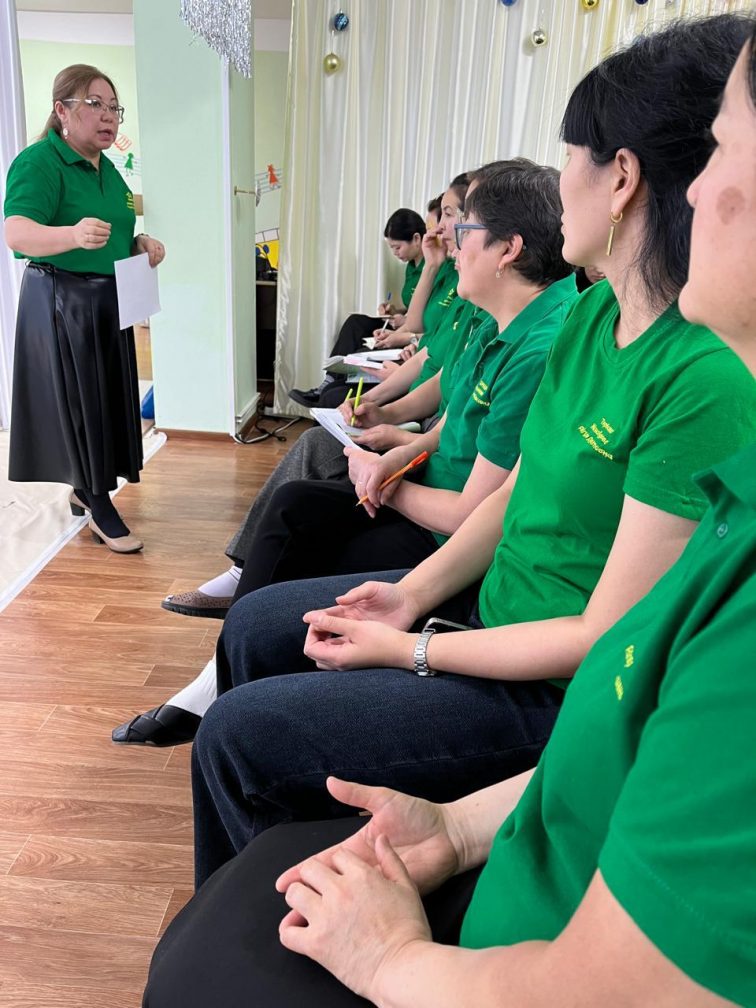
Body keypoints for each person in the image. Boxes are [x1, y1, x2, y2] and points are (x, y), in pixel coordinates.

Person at [143, 19, 756, 1007]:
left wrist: (415, 646)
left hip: (537, 681)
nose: (698, 190)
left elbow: (607, 662)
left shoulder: (702, 383)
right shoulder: (595, 316)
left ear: (620, 179)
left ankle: (274, 891)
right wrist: (412, 601)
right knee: (263, 628)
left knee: (243, 736)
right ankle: (280, 876)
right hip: (494, 623)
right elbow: (514, 492)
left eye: (725, 151)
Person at [112, 158, 578, 746]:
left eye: (461, 226)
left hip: (452, 540)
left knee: (305, 531)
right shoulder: (503, 320)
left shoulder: (546, 340)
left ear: (508, 249)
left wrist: (388, 479)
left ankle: (232, 679)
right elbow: (459, 416)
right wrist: (394, 444)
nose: (448, 240)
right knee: (299, 503)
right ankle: (225, 666)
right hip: (437, 498)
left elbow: (477, 509)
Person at [3, 64, 166, 553]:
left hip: (108, 298)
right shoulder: (40, 162)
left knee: (107, 400)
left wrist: (138, 243)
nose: (108, 116)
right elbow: (16, 232)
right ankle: (97, 501)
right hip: (62, 299)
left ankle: (87, 489)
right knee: (81, 404)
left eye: (114, 107)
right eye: (95, 104)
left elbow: (112, 234)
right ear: (62, 110)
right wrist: (70, 235)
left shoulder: (107, 169)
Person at [288, 207, 426, 409]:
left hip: (413, 331)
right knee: (355, 322)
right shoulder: (412, 267)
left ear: (416, 239)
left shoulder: (433, 269)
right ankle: (328, 382)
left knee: (362, 351)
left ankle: (331, 390)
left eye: (397, 247)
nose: (395, 253)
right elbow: (414, 305)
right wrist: (396, 312)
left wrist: (403, 326)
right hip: (405, 325)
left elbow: (426, 315)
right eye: (391, 248)